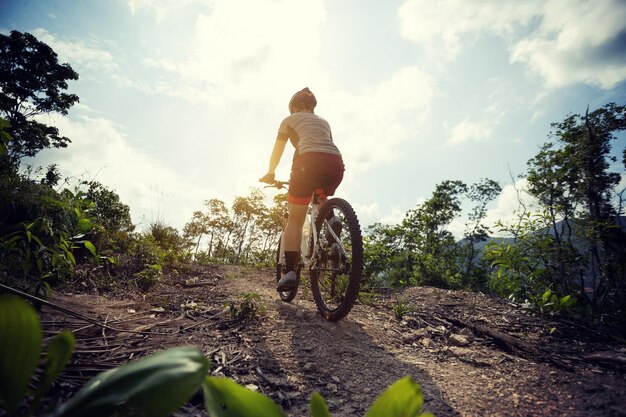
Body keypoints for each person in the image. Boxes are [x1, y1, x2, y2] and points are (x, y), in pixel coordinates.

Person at [260, 87, 344, 292]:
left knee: (295, 220)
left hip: (307, 162)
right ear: (312, 108)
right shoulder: (324, 122)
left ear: (294, 108)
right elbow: (326, 144)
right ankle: (331, 219)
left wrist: (270, 172)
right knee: (320, 194)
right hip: (335, 163)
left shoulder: (289, 120)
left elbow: (278, 149)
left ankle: (289, 271)